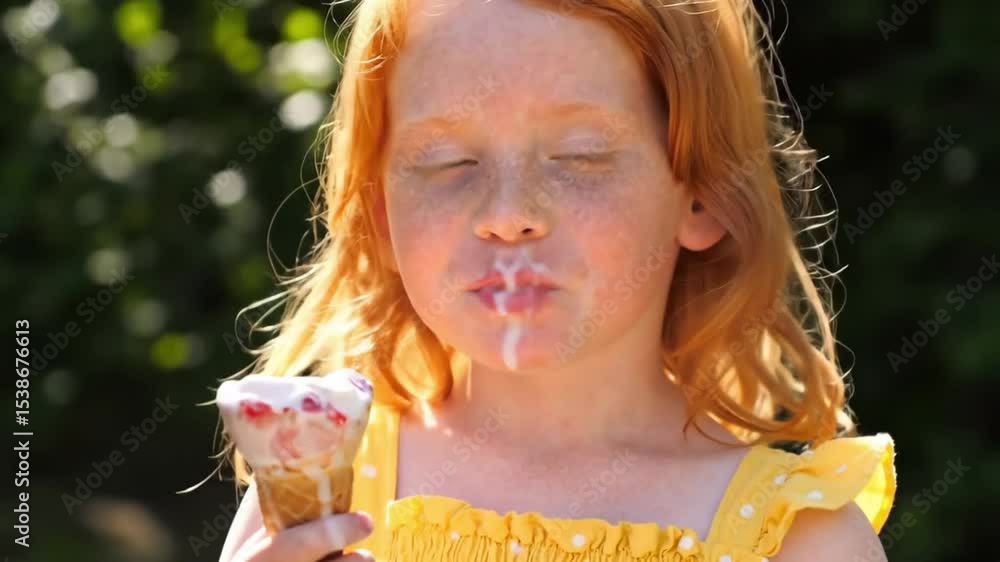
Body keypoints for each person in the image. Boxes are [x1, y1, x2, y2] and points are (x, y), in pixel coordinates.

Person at [215, 0, 897, 560]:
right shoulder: (324, 502)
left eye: (580, 155)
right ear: (381, 216)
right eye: (448, 161)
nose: (508, 215)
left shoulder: (797, 540)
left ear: (703, 193)